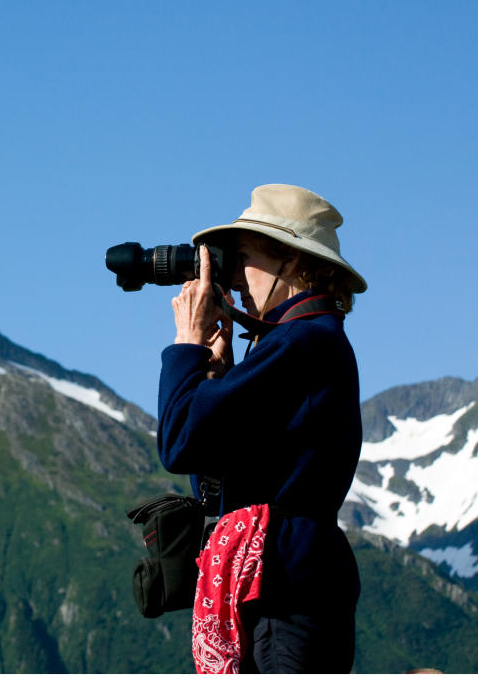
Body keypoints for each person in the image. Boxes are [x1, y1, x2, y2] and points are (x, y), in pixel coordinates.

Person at [157, 184, 366, 674]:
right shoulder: (302, 341)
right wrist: (218, 379)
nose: (234, 276)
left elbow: (178, 442)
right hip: (291, 575)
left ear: (291, 262)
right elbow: (216, 481)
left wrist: (186, 346)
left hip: (282, 582)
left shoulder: (303, 340)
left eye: (244, 256)